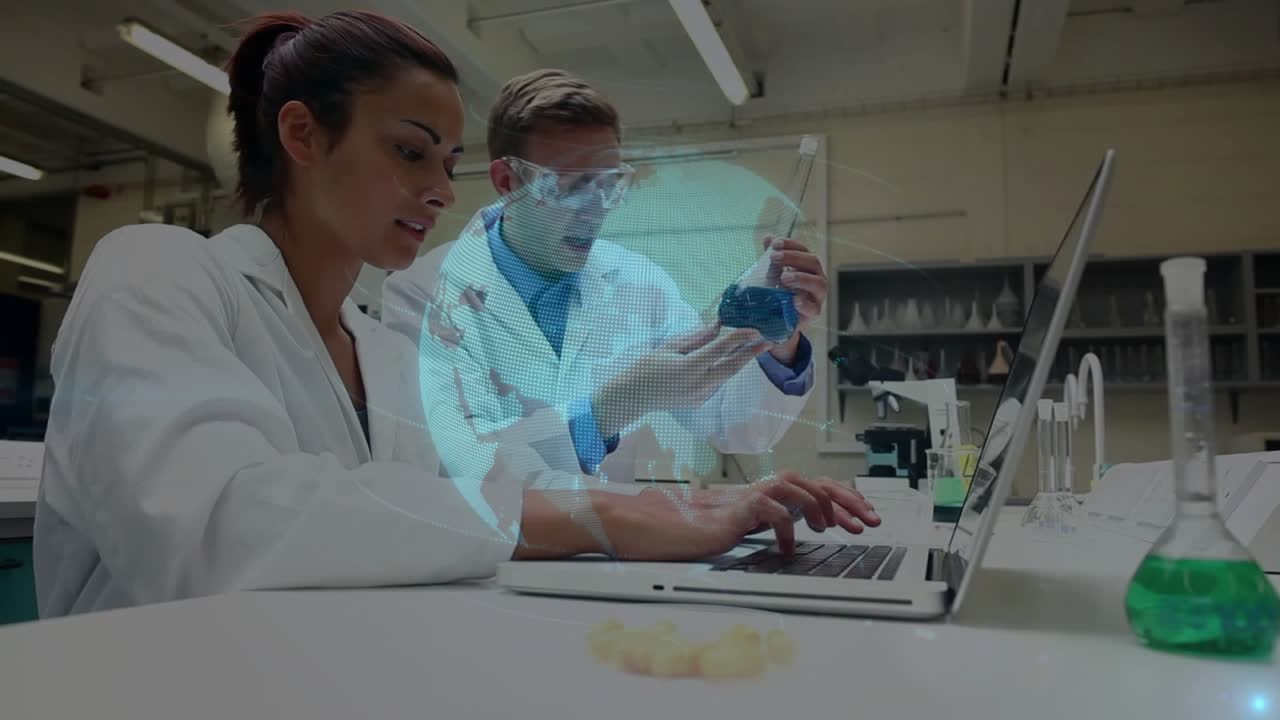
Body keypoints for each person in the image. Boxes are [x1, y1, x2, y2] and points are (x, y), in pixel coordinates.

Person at [32, 11, 878, 616]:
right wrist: (614, 509)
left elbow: (487, 480)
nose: (439, 188)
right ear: (301, 135)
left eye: (445, 159)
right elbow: (221, 525)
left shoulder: (374, 344)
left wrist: (700, 494)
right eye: (408, 152)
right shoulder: (158, 269)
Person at [383, 70, 830, 493]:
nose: (595, 210)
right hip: (485, 566)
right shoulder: (422, 293)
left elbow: (736, 425)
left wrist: (779, 341)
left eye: (609, 184)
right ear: (507, 181)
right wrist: (611, 407)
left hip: (615, 558)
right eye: (570, 187)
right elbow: (449, 467)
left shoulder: (639, 282)